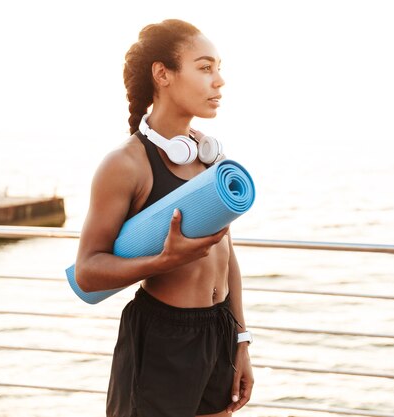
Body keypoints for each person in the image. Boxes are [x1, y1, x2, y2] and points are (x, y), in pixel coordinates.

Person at [74, 19, 254, 417]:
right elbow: (88, 271)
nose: (219, 81)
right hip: (162, 339)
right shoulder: (125, 165)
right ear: (163, 74)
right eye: (205, 67)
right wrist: (163, 262)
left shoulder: (210, 158)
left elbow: (227, 257)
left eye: (219, 68)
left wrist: (241, 339)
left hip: (218, 331)